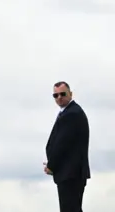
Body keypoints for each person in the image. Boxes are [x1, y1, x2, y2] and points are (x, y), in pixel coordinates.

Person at [44, 81, 90, 212]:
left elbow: (62, 145)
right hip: (69, 173)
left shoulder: (72, 114)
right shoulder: (69, 113)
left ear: (70, 94)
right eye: (55, 95)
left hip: (70, 173)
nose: (59, 97)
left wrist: (51, 166)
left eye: (62, 94)